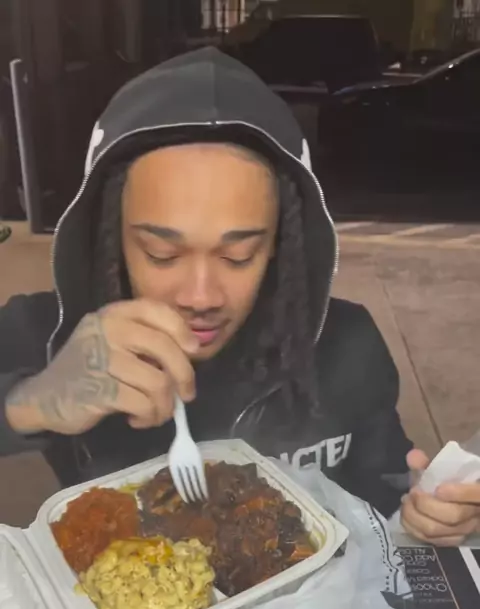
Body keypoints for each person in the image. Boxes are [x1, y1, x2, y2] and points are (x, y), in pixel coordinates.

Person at [0, 48, 478, 545]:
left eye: (238, 256)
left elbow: (384, 491)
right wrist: (28, 401)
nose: (201, 296)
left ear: (279, 246)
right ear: (112, 236)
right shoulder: (50, 334)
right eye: (162, 254)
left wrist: (425, 510)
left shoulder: (348, 346)